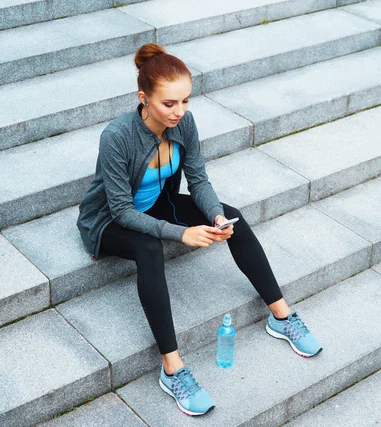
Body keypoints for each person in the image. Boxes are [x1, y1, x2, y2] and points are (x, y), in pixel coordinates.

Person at [76, 43, 322, 416]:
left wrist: (216, 218)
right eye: (169, 104)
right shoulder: (117, 136)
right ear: (144, 98)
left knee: (231, 214)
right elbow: (122, 210)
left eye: (185, 101)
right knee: (149, 249)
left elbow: (200, 181)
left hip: (159, 202)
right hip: (109, 221)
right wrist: (181, 233)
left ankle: (282, 316)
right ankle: (173, 370)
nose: (179, 112)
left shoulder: (185, 123)